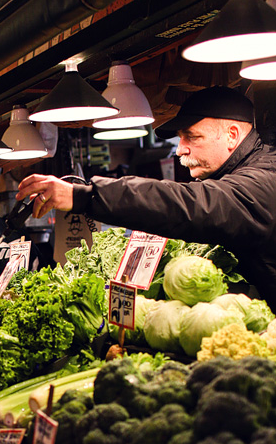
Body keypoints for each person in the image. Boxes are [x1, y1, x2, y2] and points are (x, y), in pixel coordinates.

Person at [16, 86, 276, 310]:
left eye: (192, 137)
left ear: (232, 135)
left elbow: (192, 204)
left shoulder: (263, 182)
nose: (180, 149)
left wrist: (84, 195)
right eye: (180, 138)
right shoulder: (246, 173)